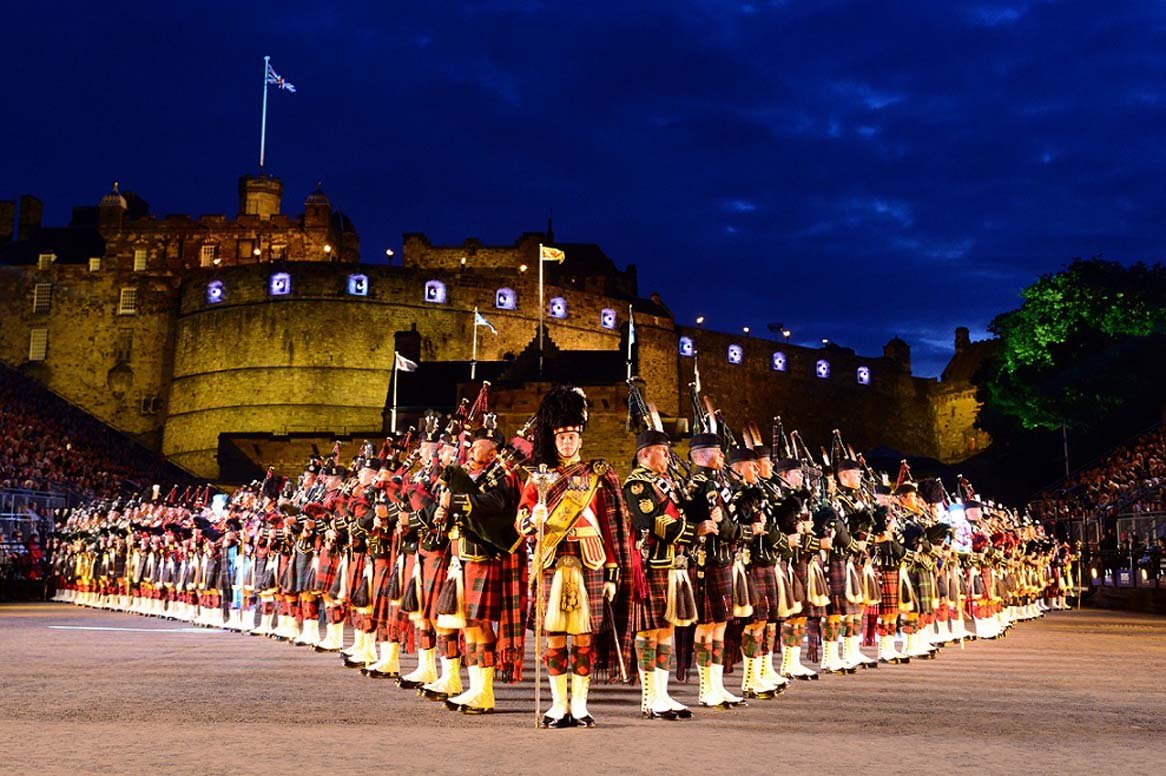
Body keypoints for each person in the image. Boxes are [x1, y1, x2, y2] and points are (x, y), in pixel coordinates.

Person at [516, 385, 635, 728]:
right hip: (552, 560)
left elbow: (614, 527)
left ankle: (579, 705)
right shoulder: (539, 477)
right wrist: (532, 519)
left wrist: (612, 574)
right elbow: (521, 521)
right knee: (553, 636)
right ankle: (557, 705)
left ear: (581, 439)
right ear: (553, 440)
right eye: (562, 437)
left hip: (590, 561)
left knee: (584, 638)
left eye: (572, 437)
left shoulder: (597, 474)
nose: (567, 443)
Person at [623, 426, 696, 720]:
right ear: (645, 454)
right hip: (651, 564)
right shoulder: (637, 485)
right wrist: (694, 532)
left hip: (671, 565)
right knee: (648, 630)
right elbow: (655, 523)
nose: (667, 456)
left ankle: (662, 694)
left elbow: (680, 513)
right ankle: (649, 698)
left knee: (666, 629)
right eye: (662, 451)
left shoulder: (665, 482)